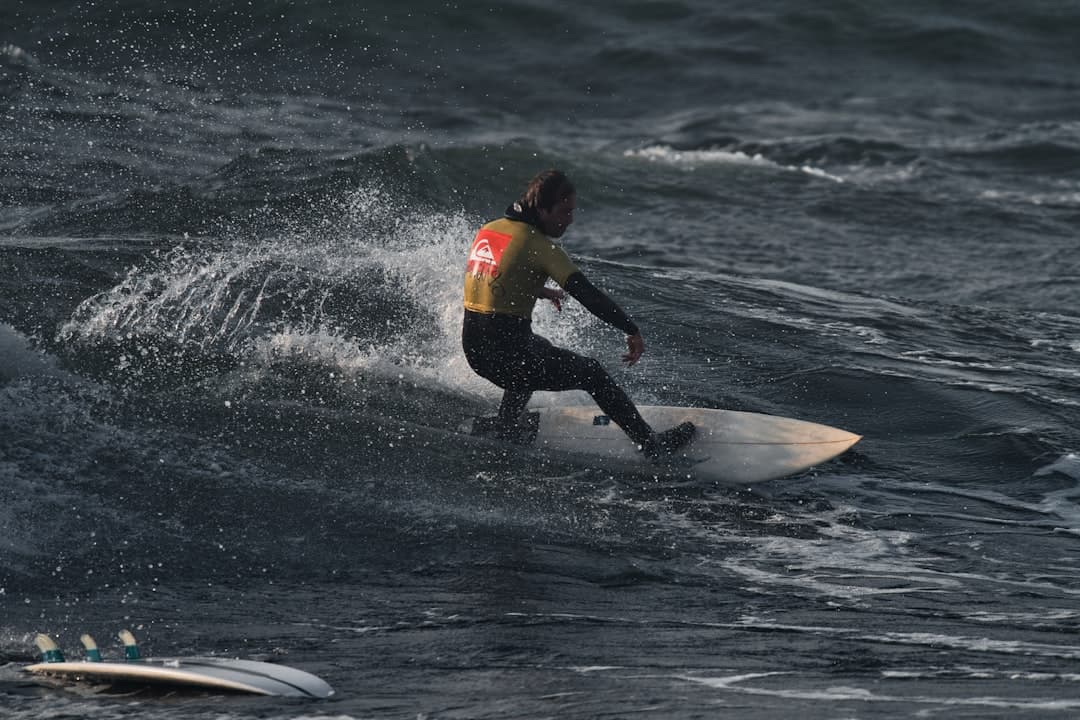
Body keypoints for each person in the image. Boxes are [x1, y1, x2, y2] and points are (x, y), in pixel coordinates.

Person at [461, 169, 695, 458]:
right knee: (592, 373)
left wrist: (538, 290)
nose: (570, 219)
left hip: (475, 351)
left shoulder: (491, 229)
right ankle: (652, 446)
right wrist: (630, 329)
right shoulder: (541, 247)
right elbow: (588, 295)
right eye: (564, 211)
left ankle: (506, 426)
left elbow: (491, 276)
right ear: (544, 209)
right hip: (507, 357)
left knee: (535, 349)